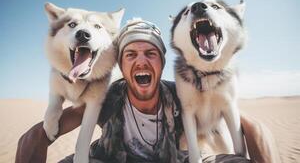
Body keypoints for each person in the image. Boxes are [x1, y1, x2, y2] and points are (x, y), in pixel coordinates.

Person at [16, 19, 280, 163]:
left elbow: (255, 128)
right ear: (121, 64)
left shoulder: (183, 96)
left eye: (151, 53)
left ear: (162, 63)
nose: (141, 61)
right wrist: (41, 136)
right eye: (130, 54)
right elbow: (33, 138)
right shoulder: (106, 99)